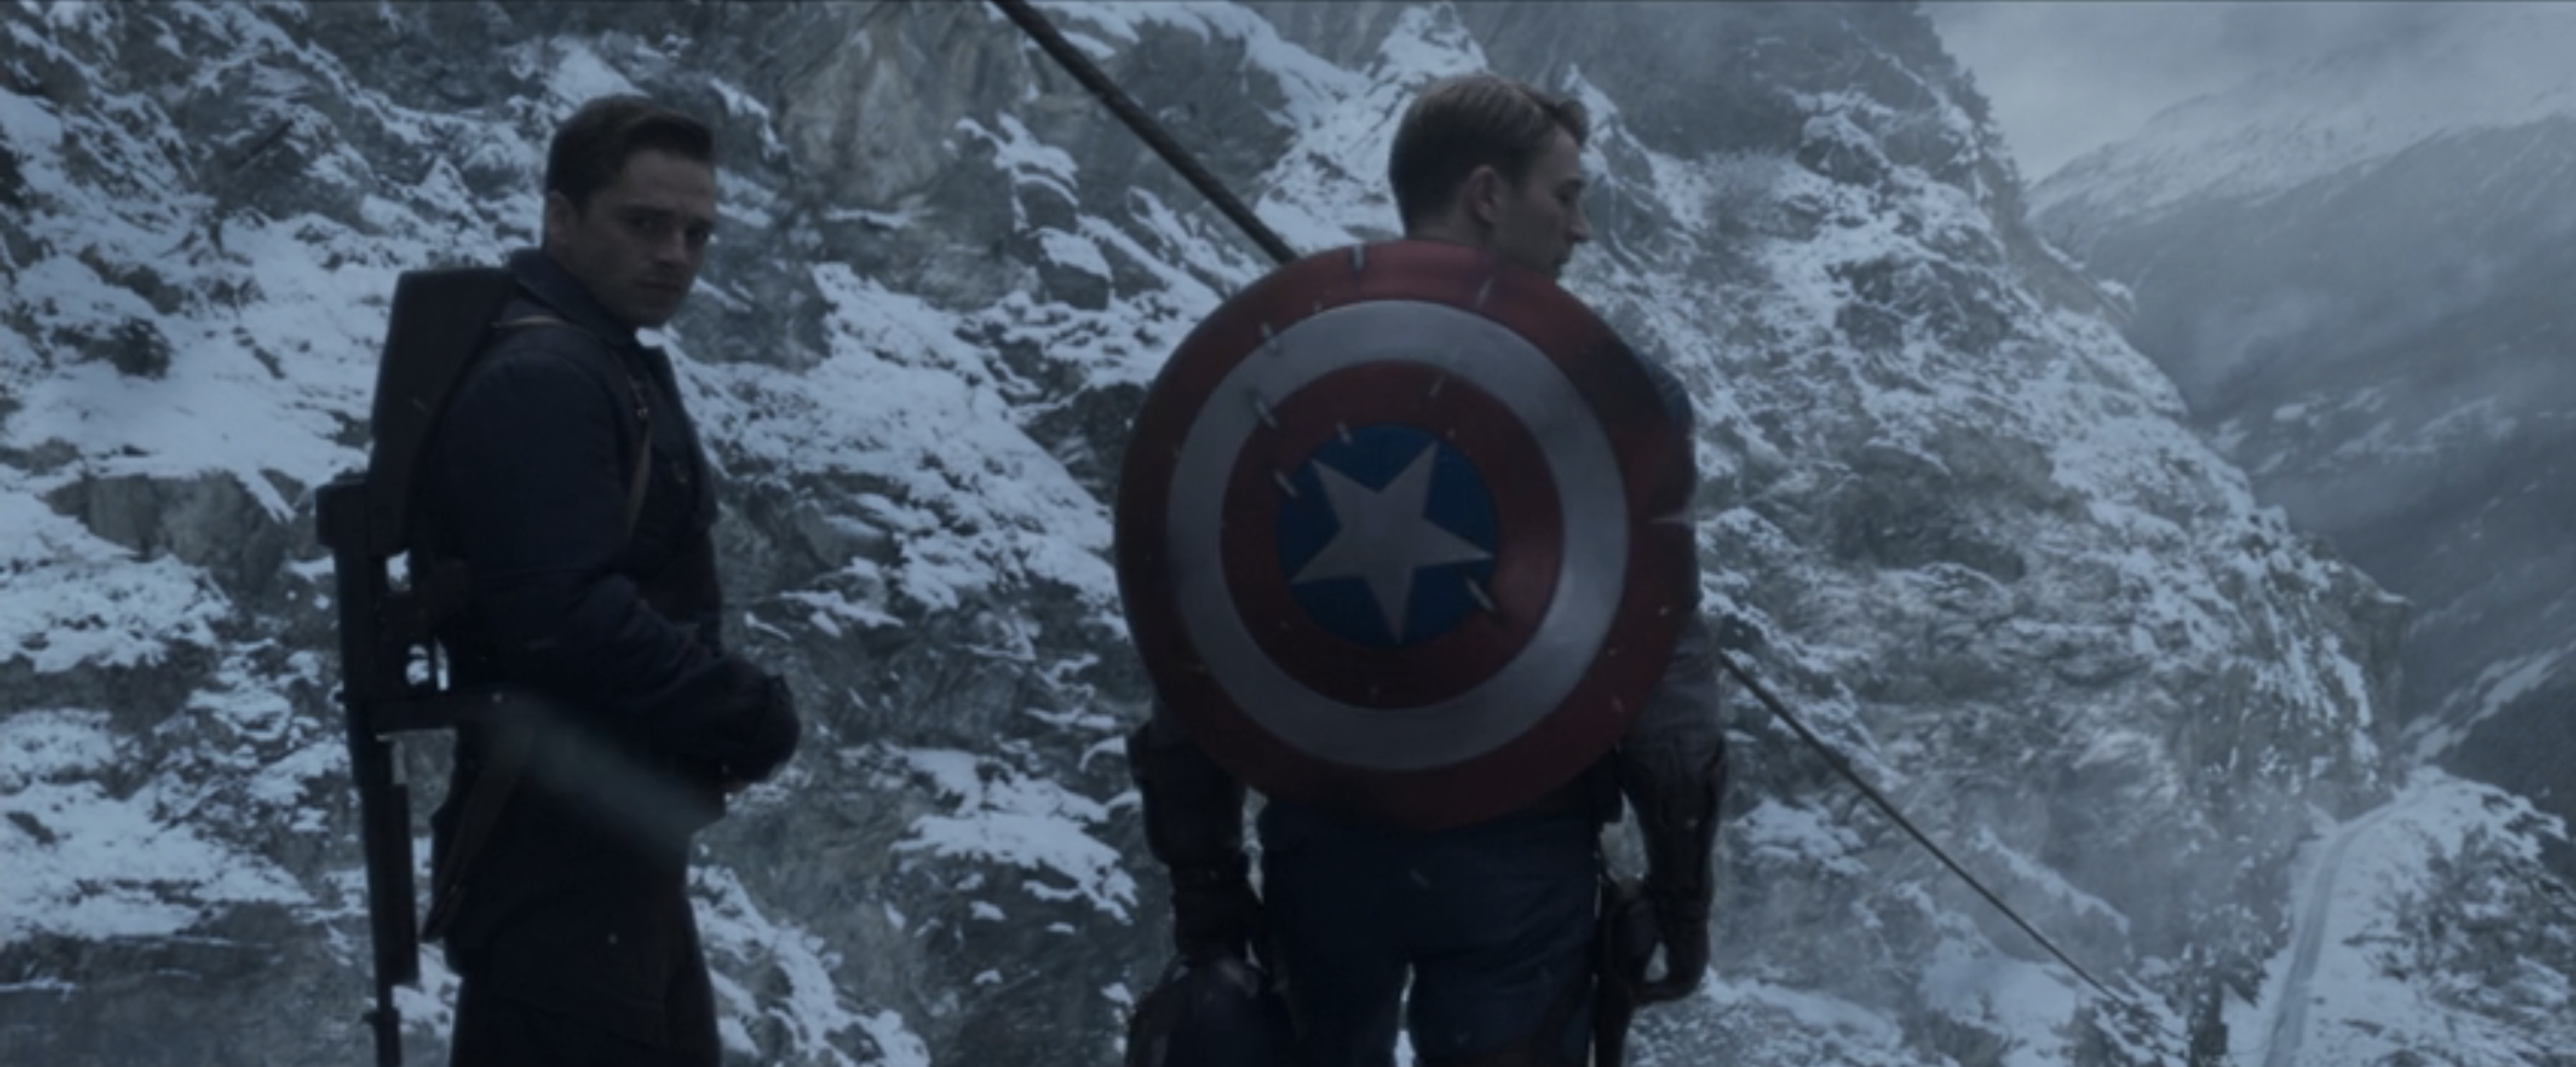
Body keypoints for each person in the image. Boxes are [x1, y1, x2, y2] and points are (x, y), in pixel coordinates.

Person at [1127, 74, 1728, 1067]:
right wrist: (1680, 893)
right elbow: (1665, 669)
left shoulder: (1279, 370)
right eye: (1566, 195)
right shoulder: (1614, 396)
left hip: (1322, 855)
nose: (1581, 229)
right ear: (1488, 194)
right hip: (1520, 868)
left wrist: (1205, 884)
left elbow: (1203, 639)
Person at [415, 95, 801, 1067]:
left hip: (599, 848)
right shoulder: (546, 378)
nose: (676, 254)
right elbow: (563, 618)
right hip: (558, 855)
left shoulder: (591, 360)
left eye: (696, 233)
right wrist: (746, 713)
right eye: (644, 223)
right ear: (561, 217)